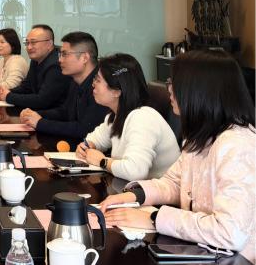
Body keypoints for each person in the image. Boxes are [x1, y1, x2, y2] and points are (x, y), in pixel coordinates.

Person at [100, 50, 255, 263]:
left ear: (199, 90)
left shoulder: (237, 144)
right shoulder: (200, 135)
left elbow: (230, 232)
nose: (169, 89)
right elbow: (174, 182)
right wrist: (134, 196)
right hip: (202, 252)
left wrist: (154, 218)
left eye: (174, 82)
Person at [75, 53, 180, 180]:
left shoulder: (142, 118)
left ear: (116, 92)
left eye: (98, 80)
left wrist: (102, 161)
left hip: (164, 191)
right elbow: (96, 139)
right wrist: (87, 146)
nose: (93, 84)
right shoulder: (117, 116)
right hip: (136, 189)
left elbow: (135, 171)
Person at [19, 31, 108, 139]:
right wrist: (34, 114)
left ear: (84, 58)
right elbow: (65, 112)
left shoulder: (102, 86)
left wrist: (40, 123)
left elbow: (85, 130)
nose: (60, 60)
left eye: (65, 54)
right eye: (60, 54)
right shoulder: (76, 80)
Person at [0, 24, 70, 110]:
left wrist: (8, 96)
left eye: (33, 42)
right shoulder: (36, 59)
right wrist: (5, 92)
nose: (29, 47)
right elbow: (27, 87)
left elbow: (42, 100)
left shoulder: (57, 64)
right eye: (27, 43)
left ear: (49, 44)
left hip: (55, 114)